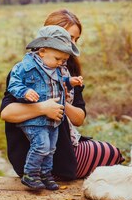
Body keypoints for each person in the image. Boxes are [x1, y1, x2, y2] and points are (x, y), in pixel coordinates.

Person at [0, 9, 124, 180]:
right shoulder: (25, 70)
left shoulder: (67, 70)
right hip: (33, 151)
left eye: (76, 39)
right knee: (111, 154)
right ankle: (41, 173)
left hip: (65, 142)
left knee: (112, 152)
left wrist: (61, 101)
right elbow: (7, 113)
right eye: (69, 38)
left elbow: (79, 119)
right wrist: (43, 107)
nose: (72, 44)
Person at [7, 25, 82, 190]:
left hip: (53, 120)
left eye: (64, 60)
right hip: (35, 120)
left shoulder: (55, 67)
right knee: (41, 146)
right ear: (42, 51)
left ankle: (46, 175)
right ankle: (31, 174)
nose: (61, 63)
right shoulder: (25, 67)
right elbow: (14, 83)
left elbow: (59, 83)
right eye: (58, 59)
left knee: (51, 149)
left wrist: (70, 82)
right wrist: (25, 91)